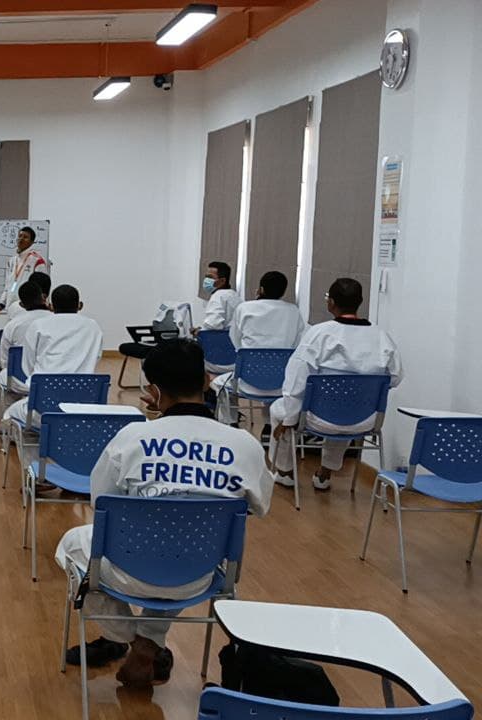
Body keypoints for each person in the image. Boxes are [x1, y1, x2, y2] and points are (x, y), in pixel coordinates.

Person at [57, 339, 271, 687]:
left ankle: (131, 639)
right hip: (201, 572)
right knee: (180, 548)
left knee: (73, 545)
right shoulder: (244, 444)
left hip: (131, 569)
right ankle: (150, 640)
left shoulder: (131, 438)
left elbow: (102, 502)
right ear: (206, 380)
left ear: (153, 392)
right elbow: (261, 506)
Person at [268, 278, 402, 491]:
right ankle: (325, 474)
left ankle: (285, 472)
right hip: (364, 420)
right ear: (360, 302)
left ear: (330, 302)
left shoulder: (319, 333)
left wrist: (290, 419)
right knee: (347, 405)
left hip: (319, 418)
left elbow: (296, 379)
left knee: (280, 411)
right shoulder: (382, 337)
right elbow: (395, 378)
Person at [3, 284, 104, 471]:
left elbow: (28, 366)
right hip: (83, 409)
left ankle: (36, 471)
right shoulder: (93, 327)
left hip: (43, 407)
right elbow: (96, 358)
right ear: (79, 305)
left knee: (10, 414)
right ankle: (69, 466)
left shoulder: (39, 326)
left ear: (51, 305)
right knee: (62, 422)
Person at [211, 271, 308, 424]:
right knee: (275, 371)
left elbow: (235, 340)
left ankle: (231, 423)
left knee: (218, 383)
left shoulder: (244, 308)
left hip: (247, 382)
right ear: (283, 292)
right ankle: (269, 425)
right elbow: (297, 345)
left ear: (261, 289)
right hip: (282, 383)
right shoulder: (293, 311)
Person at [0, 278, 51, 395]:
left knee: (1, 376)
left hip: (19, 382)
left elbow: (4, 362)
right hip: (50, 381)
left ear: (22, 305)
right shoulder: (55, 320)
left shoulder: (13, 325)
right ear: (43, 298)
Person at [0, 226, 48, 317]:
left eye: (25, 237)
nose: (21, 239)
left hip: (27, 308)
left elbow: (42, 287)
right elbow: (9, 286)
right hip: (11, 307)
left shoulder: (37, 260)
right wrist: (1, 304)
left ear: (32, 242)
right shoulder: (12, 261)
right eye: (20, 236)